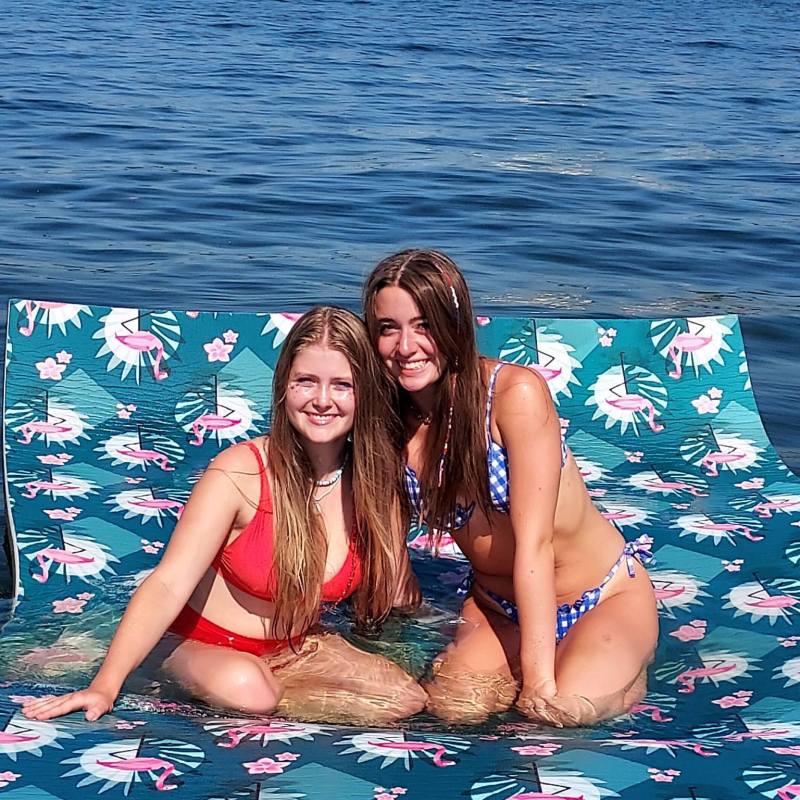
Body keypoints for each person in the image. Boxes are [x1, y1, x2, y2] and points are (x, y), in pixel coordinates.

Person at [23, 306, 425, 725]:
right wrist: (104, 685)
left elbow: (395, 591)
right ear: (283, 387)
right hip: (195, 641)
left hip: (294, 647)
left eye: (342, 385)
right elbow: (167, 583)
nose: (322, 400)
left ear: (366, 394)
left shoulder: (373, 485)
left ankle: (282, 691)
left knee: (404, 698)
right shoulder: (240, 474)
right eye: (306, 382)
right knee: (249, 691)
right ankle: (152, 674)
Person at [363, 250, 658, 727]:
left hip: (599, 597)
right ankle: (543, 665)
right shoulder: (390, 421)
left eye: (424, 324)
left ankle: (617, 672)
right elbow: (390, 547)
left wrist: (540, 683)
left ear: (455, 325)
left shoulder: (512, 395)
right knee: (452, 709)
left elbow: (535, 545)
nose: (406, 345)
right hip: (498, 607)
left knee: (561, 713)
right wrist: (395, 641)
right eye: (388, 328)